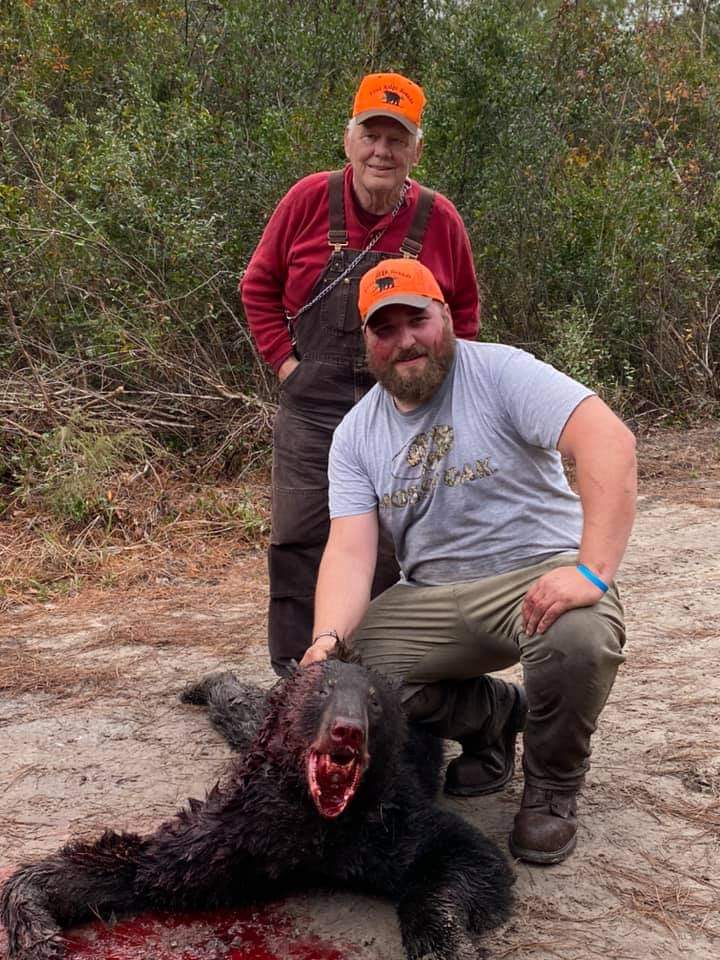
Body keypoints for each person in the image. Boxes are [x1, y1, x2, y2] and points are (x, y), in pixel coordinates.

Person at [300, 258, 637, 864]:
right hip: (430, 594)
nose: (405, 340)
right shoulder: (354, 434)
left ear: (446, 316)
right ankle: (493, 717)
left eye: (417, 320)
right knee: (348, 682)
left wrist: (591, 571)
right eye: (385, 329)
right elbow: (349, 549)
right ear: (367, 343)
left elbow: (607, 440)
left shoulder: (502, 372)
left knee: (579, 637)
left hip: (536, 571)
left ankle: (552, 787)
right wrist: (326, 641)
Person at [240, 72, 480, 677]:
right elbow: (258, 286)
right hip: (312, 404)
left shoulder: (439, 219)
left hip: (403, 408)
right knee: (299, 534)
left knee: (397, 538)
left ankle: (384, 675)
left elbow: (464, 316)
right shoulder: (307, 200)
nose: (381, 151)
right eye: (371, 136)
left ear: (415, 150)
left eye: (396, 140)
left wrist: (440, 396)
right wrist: (287, 366)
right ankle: (299, 679)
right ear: (349, 140)